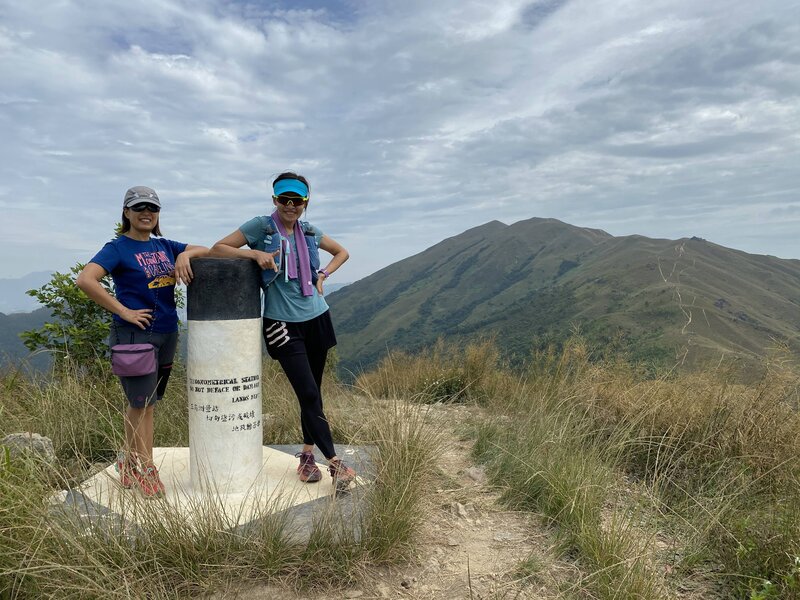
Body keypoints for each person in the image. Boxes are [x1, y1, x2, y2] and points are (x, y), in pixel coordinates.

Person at [211, 171, 356, 491]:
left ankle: (307, 455)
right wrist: (253, 253)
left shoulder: (309, 231)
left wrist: (323, 275)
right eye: (284, 199)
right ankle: (335, 463)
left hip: (317, 317)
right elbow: (219, 248)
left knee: (313, 393)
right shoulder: (260, 227)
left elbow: (342, 252)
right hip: (282, 324)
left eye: (297, 200)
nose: (290, 205)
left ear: (306, 202)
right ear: (275, 199)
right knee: (307, 393)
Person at [76, 186, 209, 497]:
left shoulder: (165, 246)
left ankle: (128, 461)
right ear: (127, 213)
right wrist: (124, 311)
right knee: (143, 404)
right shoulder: (117, 248)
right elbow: (85, 279)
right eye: (139, 208)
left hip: (167, 333)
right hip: (134, 336)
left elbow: (208, 249)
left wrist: (185, 254)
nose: (146, 213)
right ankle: (147, 470)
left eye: (152, 208)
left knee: (144, 404)